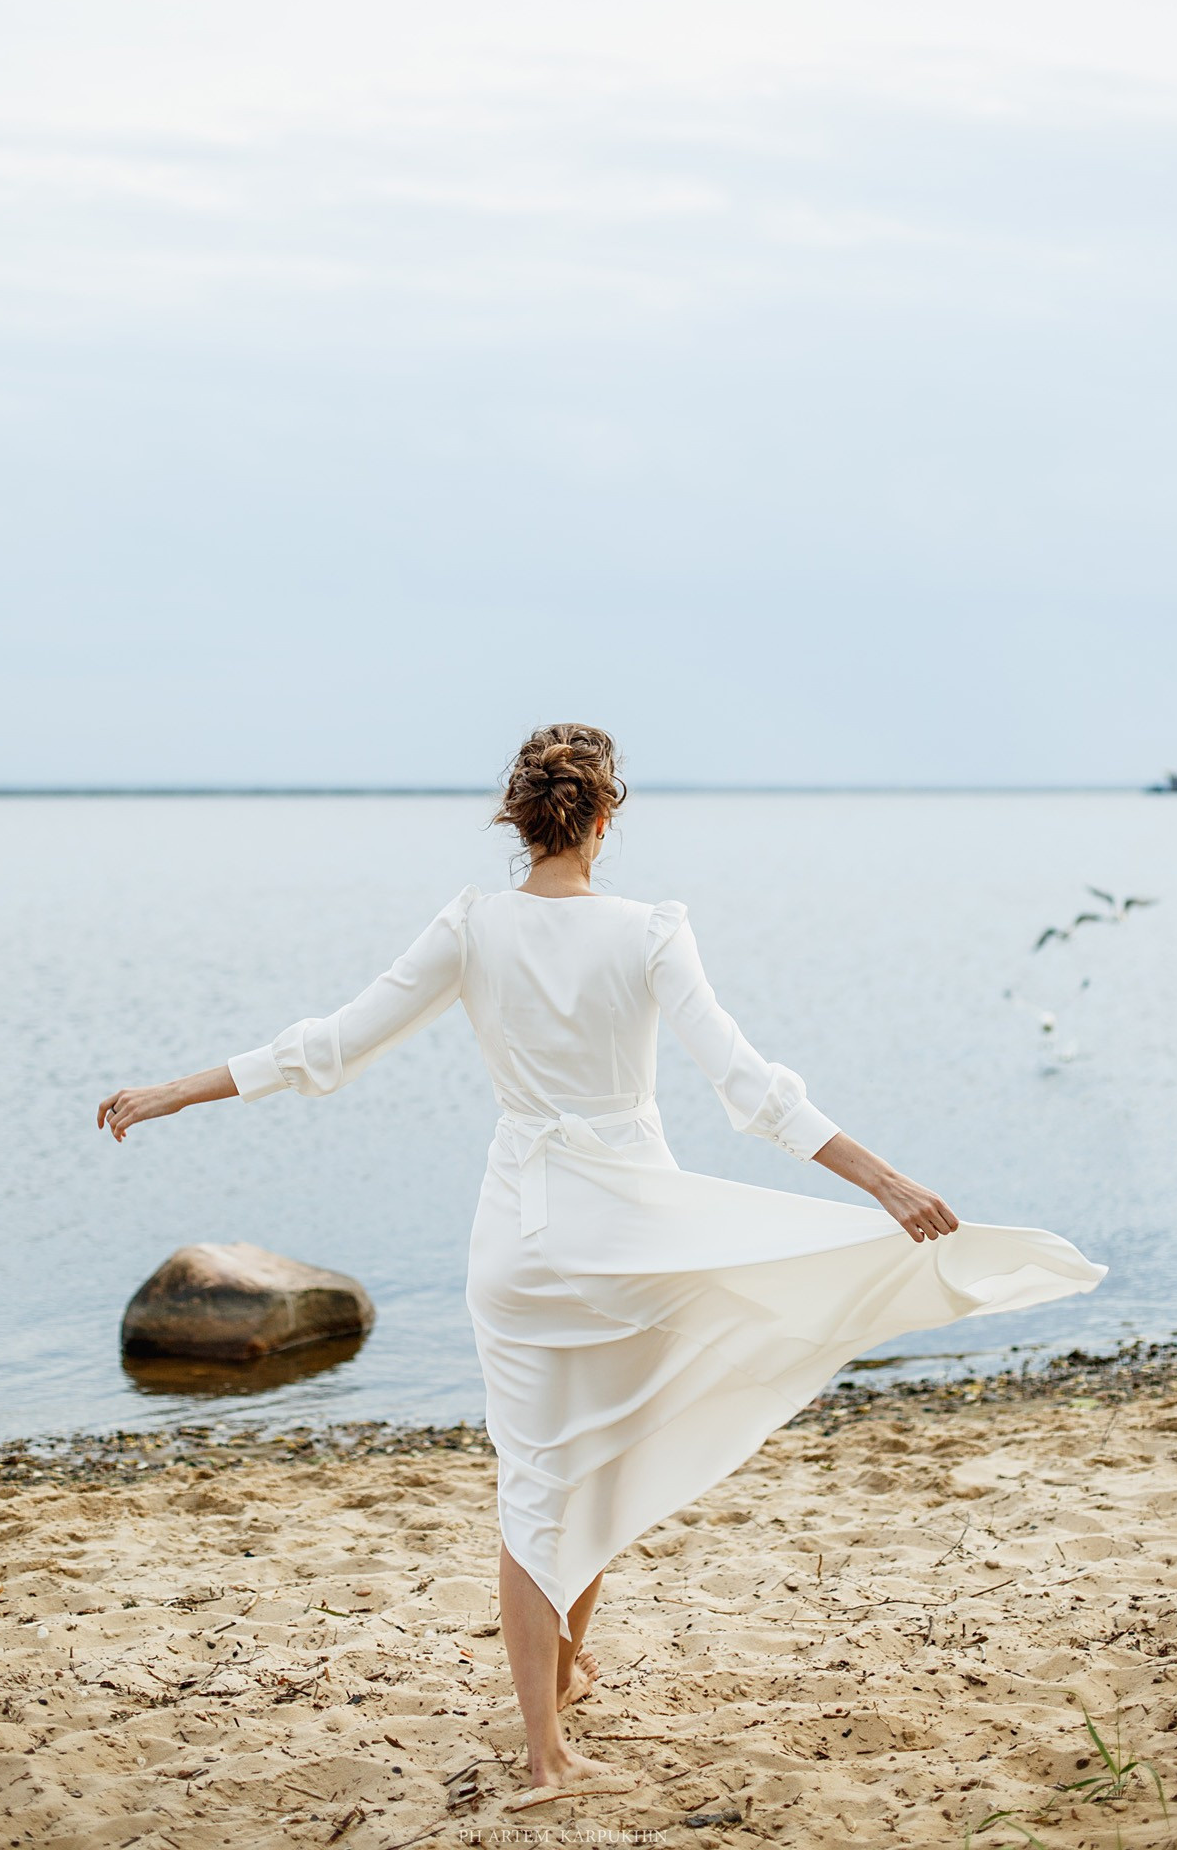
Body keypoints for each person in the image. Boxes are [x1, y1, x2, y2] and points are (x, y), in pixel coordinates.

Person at [97, 722, 1106, 1810]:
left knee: (544, 1480)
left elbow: (328, 1045)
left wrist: (173, 1091)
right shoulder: (648, 930)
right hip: (631, 1245)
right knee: (600, 1463)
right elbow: (750, 1087)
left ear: (517, 818)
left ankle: (554, 1711)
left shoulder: (472, 925)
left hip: (520, 1246)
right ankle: (547, 1752)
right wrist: (885, 1183)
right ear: (605, 818)